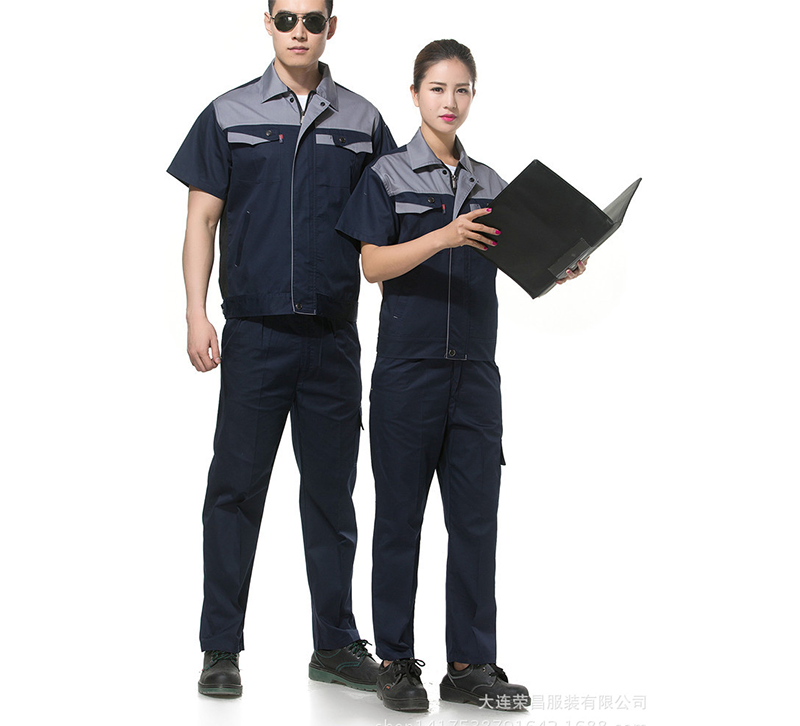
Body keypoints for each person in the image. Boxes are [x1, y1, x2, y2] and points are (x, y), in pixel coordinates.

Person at [336, 39, 585, 712]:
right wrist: (443, 236)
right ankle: (396, 662)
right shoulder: (388, 175)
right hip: (407, 375)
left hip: (475, 376)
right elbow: (373, 265)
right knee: (399, 522)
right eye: (438, 88)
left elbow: (523, 267)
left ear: (473, 96)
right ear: (415, 94)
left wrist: (560, 267)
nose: (450, 101)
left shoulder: (492, 184)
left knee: (476, 523)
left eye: (462, 89)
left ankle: (470, 665)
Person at [167, 0, 395, 698]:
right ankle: (220, 648)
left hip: (332, 339)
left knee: (332, 496)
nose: (300, 31)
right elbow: (201, 220)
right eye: (287, 18)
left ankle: (336, 645)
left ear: (332, 27)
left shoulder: (363, 122)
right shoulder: (227, 114)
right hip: (255, 336)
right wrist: (195, 314)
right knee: (234, 493)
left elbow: (401, 219)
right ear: (267, 22)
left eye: (313, 20)